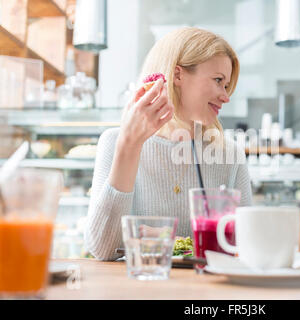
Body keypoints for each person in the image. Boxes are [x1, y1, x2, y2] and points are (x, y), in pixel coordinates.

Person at [85, 27, 253, 261]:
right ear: (177, 75)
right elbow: (103, 249)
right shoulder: (115, 142)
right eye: (218, 81)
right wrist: (130, 145)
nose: (225, 97)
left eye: (226, 86)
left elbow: (247, 245)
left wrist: (168, 238)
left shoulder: (229, 154)